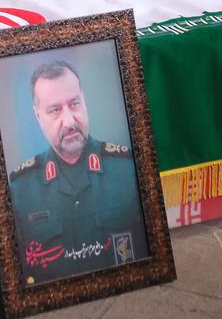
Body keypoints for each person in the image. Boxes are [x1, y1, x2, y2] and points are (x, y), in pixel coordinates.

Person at [9, 60, 148, 283]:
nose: (69, 120)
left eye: (74, 104)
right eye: (54, 110)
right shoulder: (19, 189)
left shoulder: (129, 168)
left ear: (85, 102)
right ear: (38, 117)